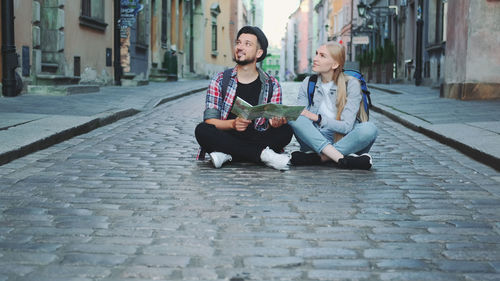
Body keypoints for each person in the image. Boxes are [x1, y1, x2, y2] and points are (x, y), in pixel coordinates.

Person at [195, 26, 293, 170]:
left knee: (286, 131)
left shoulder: (272, 84)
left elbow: (273, 119)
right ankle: (263, 156)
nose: (240, 47)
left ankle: (228, 154)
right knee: (202, 130)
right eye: (238, 43)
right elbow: (210, 120)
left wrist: (276, 122)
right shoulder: (220, 80)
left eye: (247, 44)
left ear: (259, 53)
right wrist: (233, 124)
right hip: (226, 135)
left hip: (257, 136)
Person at [288, 42, 378, 170]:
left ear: (335, 64)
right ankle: (343, 159)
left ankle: (321, 158)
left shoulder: (352, 84)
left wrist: (317, 118)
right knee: (294, 117)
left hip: (346, 141)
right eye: (316, 54)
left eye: (322, 56)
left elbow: (346, 127)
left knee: (370, 129)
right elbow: (302, 118)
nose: (315, 59)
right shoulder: (308, 83)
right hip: (314, 140)